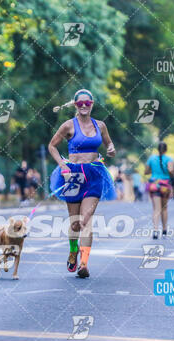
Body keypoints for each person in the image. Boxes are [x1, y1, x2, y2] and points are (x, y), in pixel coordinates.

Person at [49, 89, 116, 279]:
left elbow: (110, 147)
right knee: (75, 222)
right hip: (73, 176)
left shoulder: (101, 125)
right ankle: (73, 251)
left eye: (87, 103)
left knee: (86, 220)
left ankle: (84, 263)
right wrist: (62, 165)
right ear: (75, 105)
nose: (84, 106)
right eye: (80, 104)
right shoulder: (68, 126)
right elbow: (52, 146)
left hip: (94, 174)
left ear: (92, 104)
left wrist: (111, 150)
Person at [145, 141, 174, 240]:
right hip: (165, 185)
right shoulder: (169, 159)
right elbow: (171, 172)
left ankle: (155, 230)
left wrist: (153, 170)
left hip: (154, 184)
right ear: (166, 150)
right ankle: (165, 230)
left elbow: (146, 171)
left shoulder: (151, 158)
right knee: (164, 209)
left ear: (158, 149)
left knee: (156, 209)